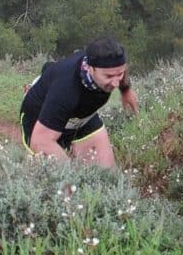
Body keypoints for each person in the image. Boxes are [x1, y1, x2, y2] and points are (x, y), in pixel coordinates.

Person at [20, 36, 139, 168]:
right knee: (59, 181)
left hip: (81, 117)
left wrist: (126, 89)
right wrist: (72, 174)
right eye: (109, 76)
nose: (116, 83)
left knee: (108, 172)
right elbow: (41, 141)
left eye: (120, 74)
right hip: (42, 119)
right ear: (89, 68)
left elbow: (119, 68)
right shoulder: (65, 90)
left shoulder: (106, 65)